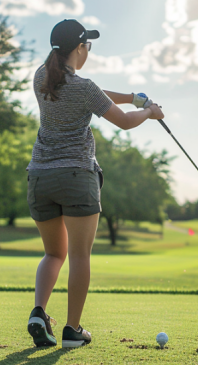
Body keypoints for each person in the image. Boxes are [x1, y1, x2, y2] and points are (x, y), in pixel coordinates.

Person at [26, 19, 164, 348]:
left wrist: (132, 96)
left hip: (40, 176)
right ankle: (72, 330)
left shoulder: (41, 77)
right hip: (76, 177)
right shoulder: (83, 87)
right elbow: (126, 122)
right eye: (88, 45)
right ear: (79, 48)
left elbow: (95, 94)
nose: (88, 50)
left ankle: (38, 312)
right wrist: (149, 112)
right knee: (79, 256)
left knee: (53, 254)